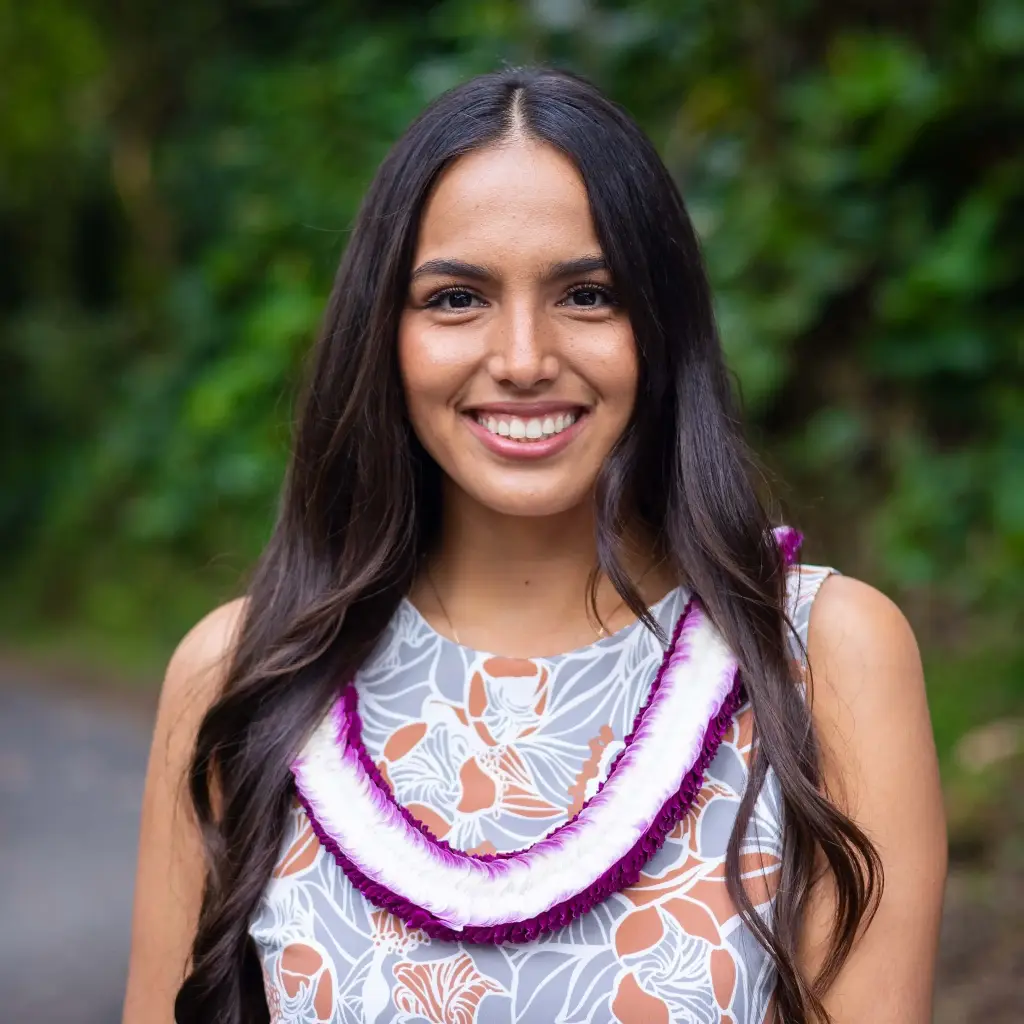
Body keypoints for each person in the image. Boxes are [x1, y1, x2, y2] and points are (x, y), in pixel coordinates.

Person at [123, 67, 946, 1024]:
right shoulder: (244, 677)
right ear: (382, 334)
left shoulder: (821, 657)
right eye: (456, 298)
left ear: (663, 323)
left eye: (588, 295)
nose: (522, 359)